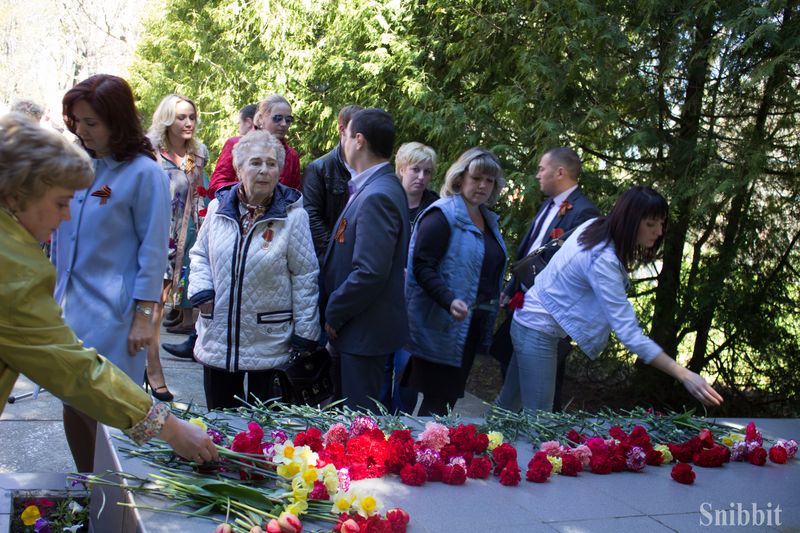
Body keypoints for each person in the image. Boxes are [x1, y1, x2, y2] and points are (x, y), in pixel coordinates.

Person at [0, 113, 217, 467]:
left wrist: (145, 313)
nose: (67, 217)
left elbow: (152, 248)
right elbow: (74, 371)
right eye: (59, 203)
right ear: (16, 194)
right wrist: (168, 427)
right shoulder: (16, 271)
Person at [496, 186, 724, 412]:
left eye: (661, 223)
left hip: (531, 322)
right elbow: (629, 334)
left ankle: (473, 445)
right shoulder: (602, 259)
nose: (659, 232)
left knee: (506, 409)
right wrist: (684, 374)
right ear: (630, 221)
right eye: (650, 224)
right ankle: (471, 444)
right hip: (538, 330)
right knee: (539, 420)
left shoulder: (596, 227)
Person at [54, 74, 171, 472]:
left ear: (117, 121)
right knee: (72, 399)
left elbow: (154, 250)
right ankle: (86, 485)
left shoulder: (144, 173)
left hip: (117, 316)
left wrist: (144, 318)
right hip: (70, 309)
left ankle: (113, 495)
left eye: (92, 123)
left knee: (112, 409)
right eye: (76, 121)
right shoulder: (75, 167)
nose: (82, 131)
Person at [188, 130, 320, 410]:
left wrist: (305, 334)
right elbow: (199, 254)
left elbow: (305, 276)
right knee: (220, 427)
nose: (264, 170)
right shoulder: (217, 209)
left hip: (269, 339)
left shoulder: (294, 217)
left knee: (266, 434)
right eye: (255, 162)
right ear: (238, 168)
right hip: (218, 336)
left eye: (271, 164)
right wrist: (201, 292)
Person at [492, 147, 600, 409]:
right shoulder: (547, 205)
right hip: (523, 303)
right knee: (511, 382)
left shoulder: (584, 213)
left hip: (547, 313)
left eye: (542, 168)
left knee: (539, 395)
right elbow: (533, 250)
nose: (538, 174)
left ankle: (538, 443)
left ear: (560, 171)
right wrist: (512, 287)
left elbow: (566, 266)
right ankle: (502, 438)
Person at [404, 148, 507, 416]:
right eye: (477, 178)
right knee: (435, 404)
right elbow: (422, 267)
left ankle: (430, 454)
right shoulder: (442, 215)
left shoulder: (487, 219)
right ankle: (421, 454)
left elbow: (484, 267)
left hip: (467, 328)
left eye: (490, 180)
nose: (483, 185)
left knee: (445, 402)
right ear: (460, 178)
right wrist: (449, 300)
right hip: (439, 326)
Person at [320, 108, 409, 411]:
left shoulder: (378, 195)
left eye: (345, 135)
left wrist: (334, 312)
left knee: (357, 427)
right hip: (359, 330)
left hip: (363, 332)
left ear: (358, 140)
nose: (341, 141)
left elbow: (370, 272)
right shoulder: (372, 186)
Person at [145, 95, 209, 388]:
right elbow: (112, 186)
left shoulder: (199, 154)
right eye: (181, 117)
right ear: (167, 119)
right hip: (153, 233)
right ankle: (150, 364)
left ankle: (146, 362)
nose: (188, 123)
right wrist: (98, 199)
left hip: (185, 238)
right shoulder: (149, 151)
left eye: (192, 117)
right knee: (151, 303)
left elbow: (201, 194)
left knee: (164, 302)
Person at [380, 141, 439, 413]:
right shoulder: (385, 199)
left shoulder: (437, 208)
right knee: (380, 370)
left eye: (427, 172)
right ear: (401, 169)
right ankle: (375, 427)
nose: (421, 177)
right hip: (384, 299)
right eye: (415, 170)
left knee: (407, 373)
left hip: (417, 305)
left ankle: (400, 427)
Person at [303, 104, 363, 261]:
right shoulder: (319, 168)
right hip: (330, 257)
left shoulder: (368, 168)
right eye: (356, 128)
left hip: (362, 254)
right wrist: (336, 252)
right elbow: (311, 217)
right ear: (342, 129)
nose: (360, 135)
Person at [208, 95, 301, 196]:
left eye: (288, 120)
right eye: (277, 118)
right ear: (261, 118)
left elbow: (293, 194)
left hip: (279, 211)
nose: (283, 124)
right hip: (236, 209)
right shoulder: (236, 144)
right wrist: (249, 191)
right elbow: (216, 187)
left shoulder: (292, 155)